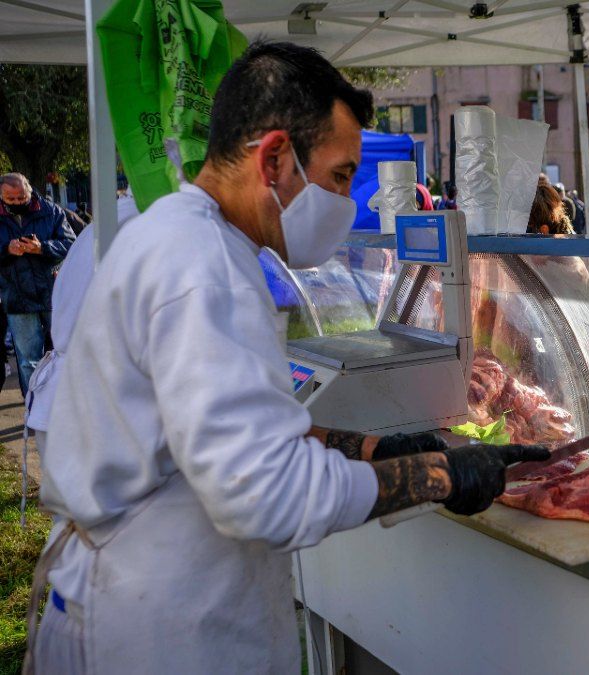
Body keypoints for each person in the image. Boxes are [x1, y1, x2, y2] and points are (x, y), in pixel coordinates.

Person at [26, 41, 548, 673]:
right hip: (157, 624)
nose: (346, 201)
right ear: (274, 157)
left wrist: (375, 449)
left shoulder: (177, 238)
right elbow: (265, 492)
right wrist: (438, 477)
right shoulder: (204, 269)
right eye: (337, 177)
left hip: (143, 594)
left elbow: (219, 433)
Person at [0, 173, 76, 395]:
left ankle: (68, 402)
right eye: (10, 199)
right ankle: (34, 408)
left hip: (53, 293)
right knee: (27, 360)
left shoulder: (51, 211)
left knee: (66, 351)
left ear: (30, 191)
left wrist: (41, 247)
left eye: (21, 198)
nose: (17, 203)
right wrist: (7, 250)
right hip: (17, 296)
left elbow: (71, 244)